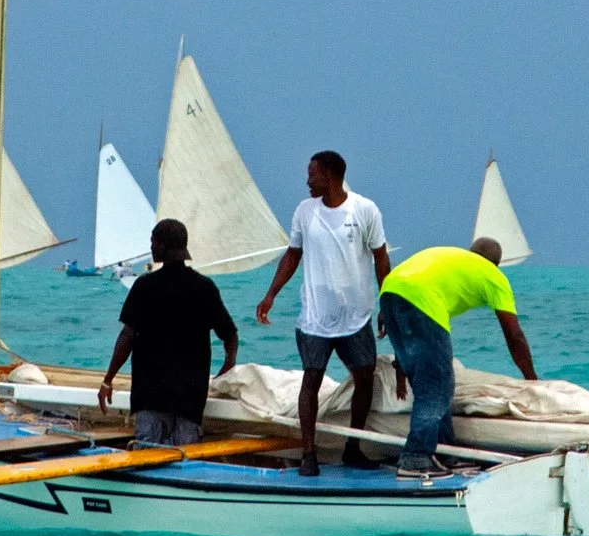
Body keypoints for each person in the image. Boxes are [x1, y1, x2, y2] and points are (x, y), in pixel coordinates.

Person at [255, 150, 390, 476]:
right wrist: (271, 294)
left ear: (329, 175)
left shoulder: (364, 210)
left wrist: (387, 302)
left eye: (311, 174)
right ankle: (308, 453)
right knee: (311, 379)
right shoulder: (305, 212)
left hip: (356, 316)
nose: (307, 181)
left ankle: (353, 448)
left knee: (364, 378)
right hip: (315, 318)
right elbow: (292, 255)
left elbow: (381, 258)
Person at [376, 238, 537, 479]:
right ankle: (416, 457)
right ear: (496, 264)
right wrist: (531, 379)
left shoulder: (452, 257)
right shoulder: (493, 276)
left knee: (430, 384)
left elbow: (406, 291)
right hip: (421, 299)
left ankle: (444, 451)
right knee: (438, 386)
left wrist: (400, 366)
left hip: (390, 293)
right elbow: (513, 334)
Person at [97, 219, 239, 446]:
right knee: (184, 460)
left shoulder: (145, 286)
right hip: (190, 399)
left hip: (151, 395)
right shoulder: (204, 287)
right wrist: (228, 365)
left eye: (153, 243)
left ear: (162, 246)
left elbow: (127, 336)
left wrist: (108, 380)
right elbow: (230, 334)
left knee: (148, 458)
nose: (151, 248)